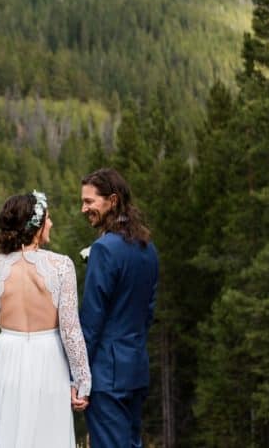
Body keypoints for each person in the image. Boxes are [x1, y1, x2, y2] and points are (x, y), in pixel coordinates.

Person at [0, 191, 91, 447]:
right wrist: (82, 382)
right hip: (48, 360)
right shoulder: (61, 266)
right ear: (35, 226)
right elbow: (70, 330)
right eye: (47, 218)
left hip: (4, 360)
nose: (51, 223)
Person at [79, 168, 159, 448]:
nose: (83, 208)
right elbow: (148, 311)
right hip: (135, 367)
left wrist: (78, 374)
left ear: (112, 200)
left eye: (90, 202)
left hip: (106, 374)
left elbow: (91, 318)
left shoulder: (104, 249)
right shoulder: (148, 248)